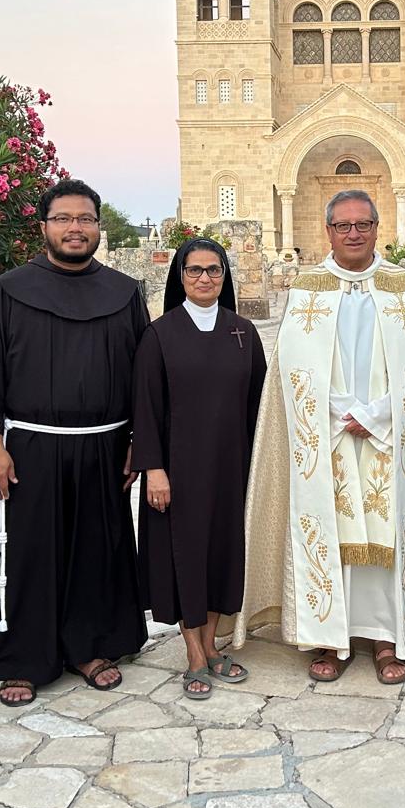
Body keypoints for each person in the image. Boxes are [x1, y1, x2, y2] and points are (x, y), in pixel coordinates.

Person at [235, 190, 405, 685]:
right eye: (343, 226)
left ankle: (386, 640)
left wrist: (375, 415)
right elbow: (294, 368)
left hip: (387, 435)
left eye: (363, 224)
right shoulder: (308, 287)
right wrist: (339, 413)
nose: (353, 233)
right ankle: (330, 639)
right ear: (328, 231)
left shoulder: (403, 287)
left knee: (386, 536)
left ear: (377, 228)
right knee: (328, 533)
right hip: (326, 433)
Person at [0, 178, 149, 706]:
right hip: (30, 447)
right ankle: (26, 658)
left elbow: (143, 375)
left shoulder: (124, 293)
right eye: (63, 218)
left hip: (105, 445)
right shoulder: (9, 290)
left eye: (85, 219)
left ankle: (89, 648)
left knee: (96, 550)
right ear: (43, 227)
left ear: (98, 227)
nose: (75, 228)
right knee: (31, 555)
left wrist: (139, 439)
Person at [132, 238, 267, 700]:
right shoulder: (159, 335)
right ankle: (193, 654)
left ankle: (211, 646)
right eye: (194, 270)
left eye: (214, 270)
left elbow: (258, 407)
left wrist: (258, 466)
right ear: (180, 276)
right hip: (178, 473)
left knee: (221, 558)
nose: (205, 278)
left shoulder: (243, 333)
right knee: (186, 558)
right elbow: (145, 408)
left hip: (232, 468)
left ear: (225, 276)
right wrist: (154, 469)